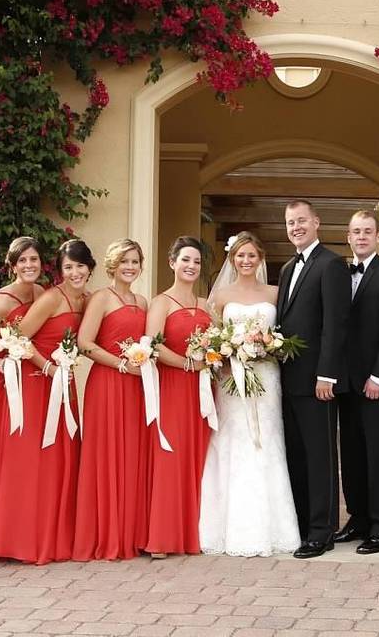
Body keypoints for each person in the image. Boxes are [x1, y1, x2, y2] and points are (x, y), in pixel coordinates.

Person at [0, 239, 91, 564]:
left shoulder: (87, 299)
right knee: (32, 461)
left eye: (79, 266)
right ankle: (20, 542)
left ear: (90, 267)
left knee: (61, 461)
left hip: (64, 386)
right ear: (59, 272)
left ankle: (55, 537)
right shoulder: (51, 298)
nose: (74, 272)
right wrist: (46, 366)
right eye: (68, 267)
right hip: (37, 385)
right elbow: (17, 338)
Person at [199, 231, 301, 557]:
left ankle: (275, 528)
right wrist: (226, 352)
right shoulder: (221, 296)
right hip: (231, 379)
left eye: (251, 256)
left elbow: (284, 332)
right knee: (233, 441)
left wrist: (268, 347)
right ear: (232, 259)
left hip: (266, 377)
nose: (245, 261)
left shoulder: (275, 293)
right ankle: (224, 527)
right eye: (240, 256)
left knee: (266, 442)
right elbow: (211, 336)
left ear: (260, 259)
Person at [276, 200, 351, 559]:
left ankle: (323, 531)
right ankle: (304, 525)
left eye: (301, 220)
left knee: (320, 456)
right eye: (290, 223)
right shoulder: (289, 267)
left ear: (316, 222)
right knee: (297, 455)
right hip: (288, 380)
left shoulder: (332, 264)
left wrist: (327, 374)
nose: (296, 227)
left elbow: (336, 325)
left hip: (317, 381)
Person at [333, 211, 379, 555]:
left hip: (378, 382)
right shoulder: (339, 274)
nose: (361, 237)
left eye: (367, 232)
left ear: (378, 236)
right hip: (346, 383)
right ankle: (358, 518)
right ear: (348, 237)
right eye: (355, 232)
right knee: (351, 454)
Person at [74, 240, 151, 561]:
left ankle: (131, 532)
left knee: (133, 454)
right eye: (124, 261)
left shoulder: (143, 301)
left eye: (135, 261)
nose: (130, 267)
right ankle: (106, 534)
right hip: (107, 384)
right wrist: (121, 363)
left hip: (136, 387)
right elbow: (84, 343)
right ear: (112, 265)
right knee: (106, 454)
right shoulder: (102, 298)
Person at [0, 236, 45, 552]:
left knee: (37, 461)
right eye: (23, 261)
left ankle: (34, 531)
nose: (29, 266)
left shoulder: (42, 293)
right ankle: (8, 538)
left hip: (40, 382)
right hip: (12, 388)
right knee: (16, 460)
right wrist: (2, 365)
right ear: (12, 266)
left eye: (34, 260)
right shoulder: (3, 300)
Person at [144, 236, 214, 557]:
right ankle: (163, 537)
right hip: (173, 386)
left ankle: (194, 533)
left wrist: (213, 358)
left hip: (202, 388)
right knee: (170, 457)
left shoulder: (205, 305)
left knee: (198, 457)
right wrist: (189, 363)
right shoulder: (162, 302)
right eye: (185, 260)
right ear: (172, 262)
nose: (191, 266)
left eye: (197, 262)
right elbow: (153, 346)